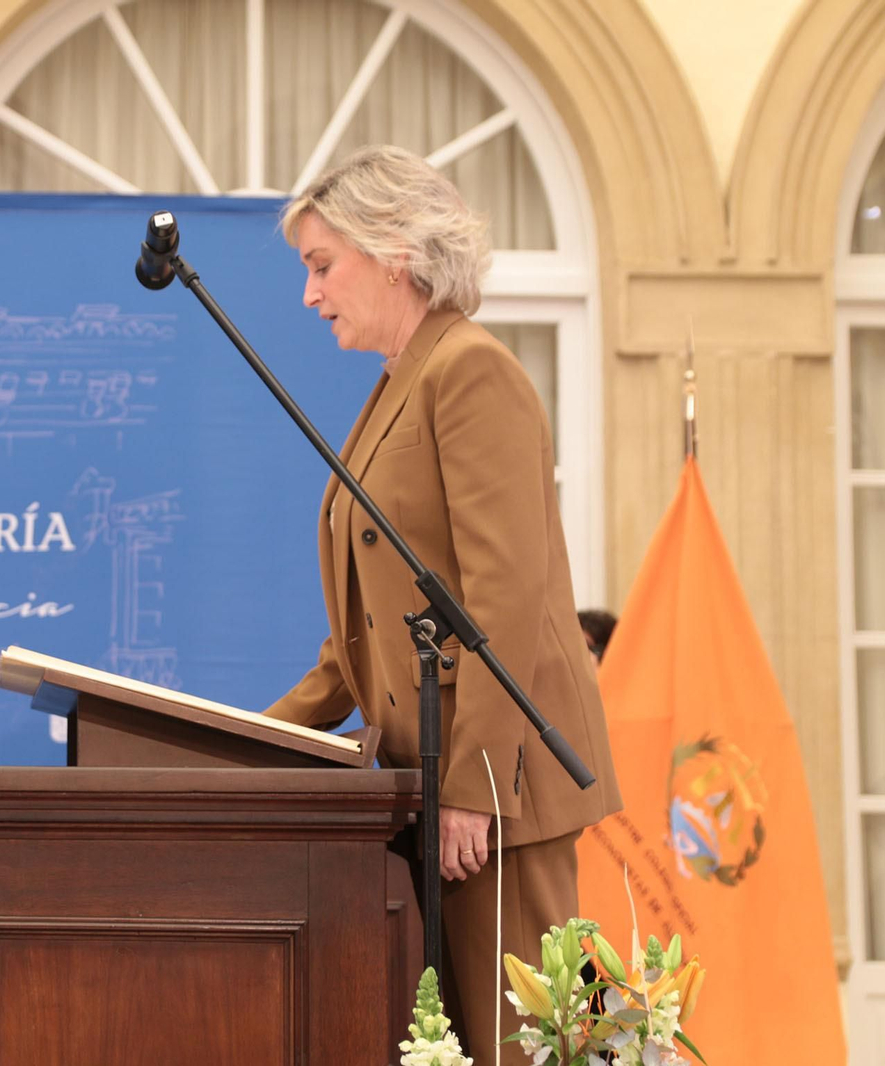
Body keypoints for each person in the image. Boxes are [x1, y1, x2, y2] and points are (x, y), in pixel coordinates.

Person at [261, 146, 622, 1056]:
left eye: (320, 265)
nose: (310, 295)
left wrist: (474, 789)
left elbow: (505, 591)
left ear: (392, 250)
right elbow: (364, 635)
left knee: (526, 1046)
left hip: (499, 801)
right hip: (431, 790)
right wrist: (254, 743)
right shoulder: (400, 379)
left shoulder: (470, 370)